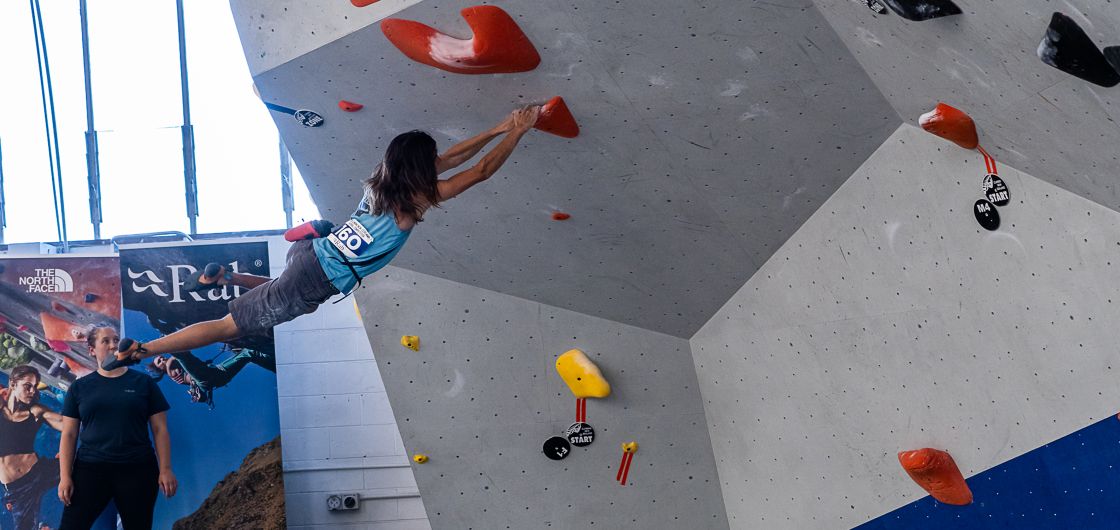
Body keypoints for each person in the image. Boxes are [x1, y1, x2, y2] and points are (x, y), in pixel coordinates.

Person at [105, 104, 541, 369]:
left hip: (314, 258)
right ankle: (145, 349)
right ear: (419, 167)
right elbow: (479, 170)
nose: (437, 163)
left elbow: (454, 158)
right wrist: (519, 131)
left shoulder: (381, 181)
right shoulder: (416, 201)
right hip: (319, 274)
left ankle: (273, 253)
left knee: (283, 295)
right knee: (227, 327)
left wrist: (502, 126)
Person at [57, 327, 177, 530]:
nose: (113, 345)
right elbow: (69, 434)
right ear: (92, 350)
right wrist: (65, 477)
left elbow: (160, 430)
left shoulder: (143, 382)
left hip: (137, 469)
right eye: (105, 341)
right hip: (90, 470)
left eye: (116, 339)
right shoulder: (79, 387)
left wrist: (165, 470)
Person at [2, 365, 65, 530]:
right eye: (27, 386)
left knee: (86, 466)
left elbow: (68, 426)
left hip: (40, 471)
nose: (32, 391)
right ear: (13, 384)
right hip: (18, 490)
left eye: (35, 386)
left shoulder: (35, 412)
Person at [145, 348, 273, 408]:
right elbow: (178, 355)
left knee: (247, 353)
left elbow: (188, 364)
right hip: (206, 378)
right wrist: (168, 345)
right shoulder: (170, 367)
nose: (162, 359)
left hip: (217, 376)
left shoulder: (174, 368)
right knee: (181, 353)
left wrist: (204, 363)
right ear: (160, 369)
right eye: (159, 361)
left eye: (161, 357)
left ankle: (273, 363)